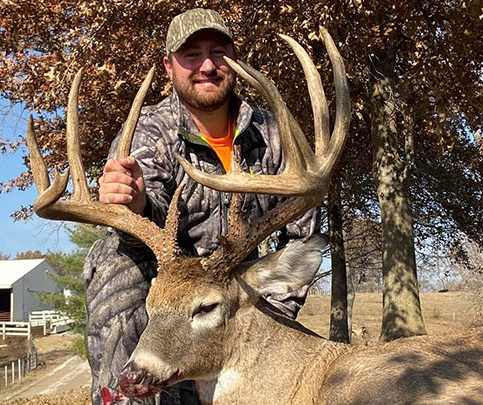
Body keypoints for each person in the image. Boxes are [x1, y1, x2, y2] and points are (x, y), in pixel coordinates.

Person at [84, 8, 321, 405]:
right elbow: (140, 223)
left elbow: (303, 233)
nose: (207, 66)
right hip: (166, 279)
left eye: (218, 53)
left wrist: (261, 337)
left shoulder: (275, 133)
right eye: (191, 54)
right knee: (114, 258)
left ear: (235, 58)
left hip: (232, 288)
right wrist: (136, 201)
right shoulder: (147, 130)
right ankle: (127, 397)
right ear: (169, 66)